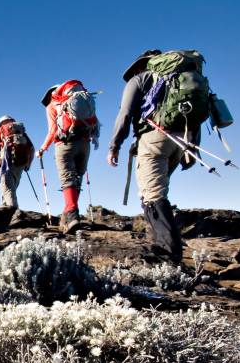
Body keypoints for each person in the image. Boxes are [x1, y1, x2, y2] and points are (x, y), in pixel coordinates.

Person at [107, 49, 195, 263]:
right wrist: (192, 148)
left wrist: (114, 145)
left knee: (152, 195)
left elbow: (125, 114)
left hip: (154, 139)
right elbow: (194, 114)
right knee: (157, 190)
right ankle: (162, 244)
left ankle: (169, 255)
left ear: (141, 64)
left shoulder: (140, 79)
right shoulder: (181, 79)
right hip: (182, 140)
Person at [39, 81, 99, 233]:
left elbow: (53, 130)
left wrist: (43, 148)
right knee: (77, 178)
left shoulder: (52, 105)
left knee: (67, 179)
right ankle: (69, 212)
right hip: (85, 143)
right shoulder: (82, 99)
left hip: (65, 144)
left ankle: (72, 215)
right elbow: (95, 121)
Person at [0, 115, 34, 222]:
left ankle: (15, 217)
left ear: (0, 124)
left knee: (8, 190)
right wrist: (28, 164)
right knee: (9, 190)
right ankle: (6, 217)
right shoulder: (21, 132)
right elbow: (32, 149)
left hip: (6, 165)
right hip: (20, 165)